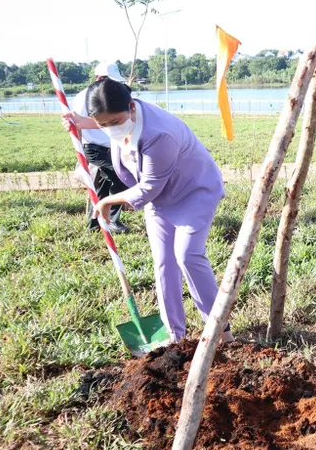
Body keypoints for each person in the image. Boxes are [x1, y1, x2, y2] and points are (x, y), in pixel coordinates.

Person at [62, 79, 233, 344]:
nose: (110, 130)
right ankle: (175, 334)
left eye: (114, 122)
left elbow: (149, 188)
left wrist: (108, 201)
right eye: (103, 124)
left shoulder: (158, 133)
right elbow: (109, 123)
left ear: (131, 107)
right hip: (160, 196)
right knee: (164, 263)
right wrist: (81, 122)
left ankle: (220, 331)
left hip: (193, 190)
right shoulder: (118, 117)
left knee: (187, 255)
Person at [71, 61, 131, 233]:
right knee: (121, 178)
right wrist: (80, 155)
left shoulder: (113, 94)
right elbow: (77, 123)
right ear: (98, 78)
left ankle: (94, 225)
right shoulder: (84, 96)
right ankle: (112, 220)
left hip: (113, 148)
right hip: (94, 148)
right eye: (107, 79)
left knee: (103, 187)